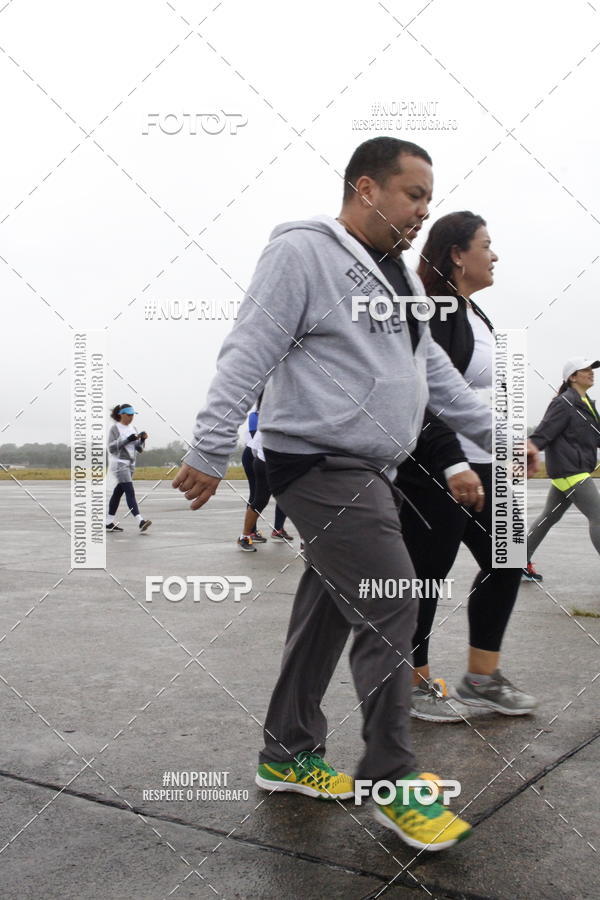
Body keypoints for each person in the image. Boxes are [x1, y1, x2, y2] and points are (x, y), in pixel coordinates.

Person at [174, 137, 503, 851]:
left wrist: (502, 432)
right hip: (320, 461)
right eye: (413, 195)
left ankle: (287, 754)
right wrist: (210, 445)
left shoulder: (400, 279)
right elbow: (249, 346)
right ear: (366, 189)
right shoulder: (304, 253)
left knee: (324, 617)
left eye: (428, 199)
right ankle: (392, 776)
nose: (423, 211)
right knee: (392, 593)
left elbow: (432, 379)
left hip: (367, 466)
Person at [395, 212, 537, 723]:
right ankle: (412, 685)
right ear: (457, 253)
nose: (494, 255)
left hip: (482, 462)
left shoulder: (474, 313)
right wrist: (453, 461)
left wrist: (510, 444)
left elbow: (478, 396)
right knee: (427, 576)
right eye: (486, 245)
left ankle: (482, 678)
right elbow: (424, 394)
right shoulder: (433, 309)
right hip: (436, 466)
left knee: (508, 557)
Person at [526, 358, 600, 576]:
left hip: (575, 469)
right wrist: (527, 452)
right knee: (598, 516)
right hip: (570, 470)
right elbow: (544, 432)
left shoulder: (587, 403)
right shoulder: (564, 403)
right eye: (585, 370)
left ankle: (517, 562)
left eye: (591, 370)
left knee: (550, 516)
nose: (591, 373)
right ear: (572, 377)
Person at [239, 406, 294, 550]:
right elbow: (254, 448)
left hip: (281, 461)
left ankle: (279, 530)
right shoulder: (263, 414)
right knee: (259, 498)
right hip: (262, 460)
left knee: (290, 498)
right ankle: (247, 535)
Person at [106, 404, 152, 533]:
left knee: (118, 493)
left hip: (131, 464)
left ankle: (108, 522)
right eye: (129, 415)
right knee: (130, 492)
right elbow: (111, 448)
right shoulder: (115, 428)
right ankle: (140, 521)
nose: (131, 417)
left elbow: (139, 449)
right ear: (121, 414)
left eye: (133, 415)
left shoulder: (134, 428)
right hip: (119, 464)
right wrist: (127, 440)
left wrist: (142, 440)